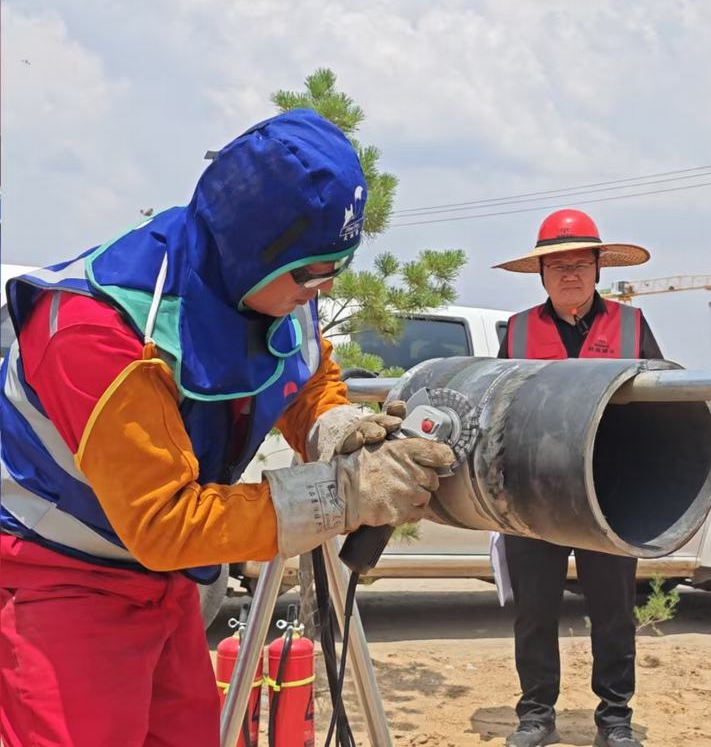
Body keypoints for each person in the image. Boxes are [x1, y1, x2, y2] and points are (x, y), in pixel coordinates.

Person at [0, 109, 455, 747]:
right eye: (309, 273)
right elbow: (166, 522)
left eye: (334, 271)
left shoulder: (277, 279)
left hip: (163, 582)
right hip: (61, 580)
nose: (318, 288)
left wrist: (333, 421)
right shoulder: (102, 331)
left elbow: (303, 367)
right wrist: (341, 496)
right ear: (250, 248)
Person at [492, 209, 662, 747]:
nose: (570, 274)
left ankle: (615, 718)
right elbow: (495, 409)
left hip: (606, 495)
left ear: (598, 268)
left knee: (613, 613)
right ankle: (535, 715)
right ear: (542, 273)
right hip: (531, 494)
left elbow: (661, 404)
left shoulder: (633, 327)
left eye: (580, 264)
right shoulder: (517, 331)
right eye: (558, 265)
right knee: (534, 612)